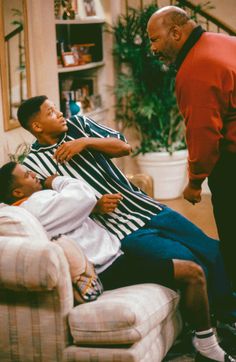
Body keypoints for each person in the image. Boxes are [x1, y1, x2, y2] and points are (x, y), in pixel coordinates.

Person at [15, 95, 236, 361]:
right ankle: (204, 327)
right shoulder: (32, 166)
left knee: (211, 249)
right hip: (118, 230)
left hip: (147, 208)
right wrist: (94, 206)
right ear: (36, 126)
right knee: (188, 259)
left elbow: (124, 147)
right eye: (51, 112)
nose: (60, 114)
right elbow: (52, 202)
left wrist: (84, 143)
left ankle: (229, 319)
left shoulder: (79, 125)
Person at [147, 5, 236, 291]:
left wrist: (195, 182)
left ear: (175, 33)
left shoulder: (196, 69)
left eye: (155, 39)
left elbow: (204, 133)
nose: (152, 48)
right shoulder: (226, 42)